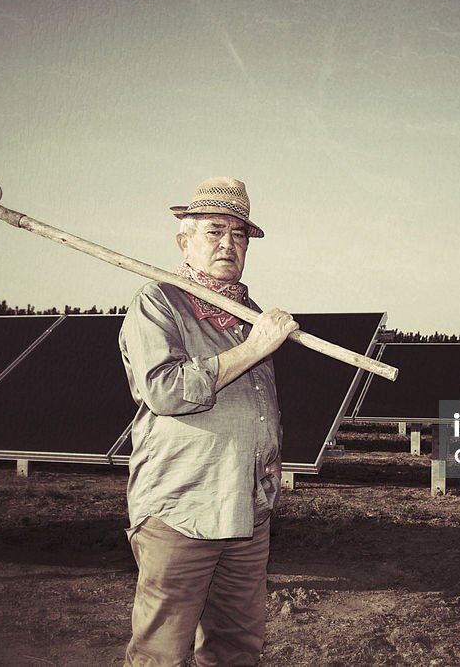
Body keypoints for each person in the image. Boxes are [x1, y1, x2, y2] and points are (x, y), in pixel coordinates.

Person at [119, 176, 297, 666]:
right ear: (185, 241)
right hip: (182, 507)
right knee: (161, 652)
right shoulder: (159, 302)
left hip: (247, 509)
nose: (228, 243)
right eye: (214, 231)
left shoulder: (248, 313)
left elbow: (260, 401)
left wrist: (269, 457)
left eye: (238, 235)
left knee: (237, 647)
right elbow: (166, 390)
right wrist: (256, 345)